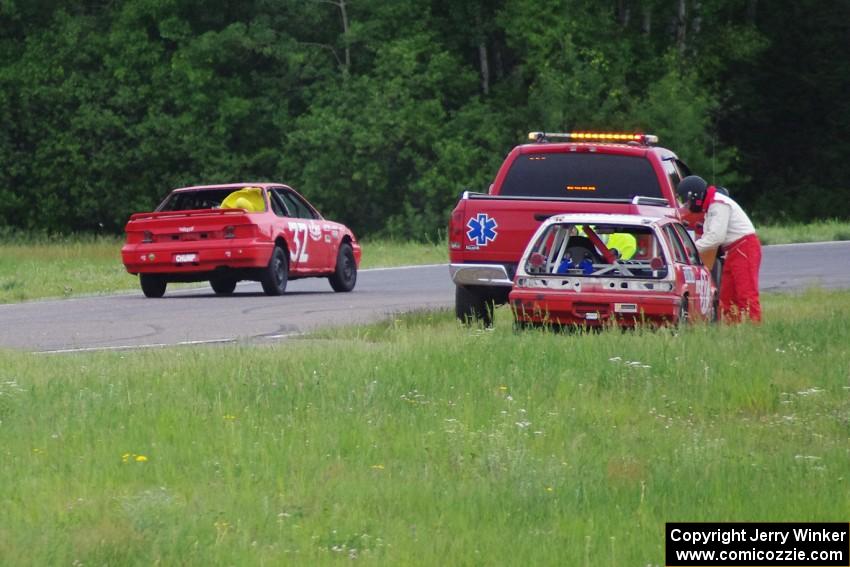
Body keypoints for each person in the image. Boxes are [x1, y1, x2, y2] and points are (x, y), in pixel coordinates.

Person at [677, 175, 761, 323]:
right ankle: (732, 329)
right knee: (727, 297)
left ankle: (754, 328)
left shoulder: (718, 204)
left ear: (695, 196)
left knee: (746, 294)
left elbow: (715, 237)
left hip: (743, 247)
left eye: (688, 200)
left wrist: (690, 249)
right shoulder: (711, 206)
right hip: (734, 250)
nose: (687, 204)